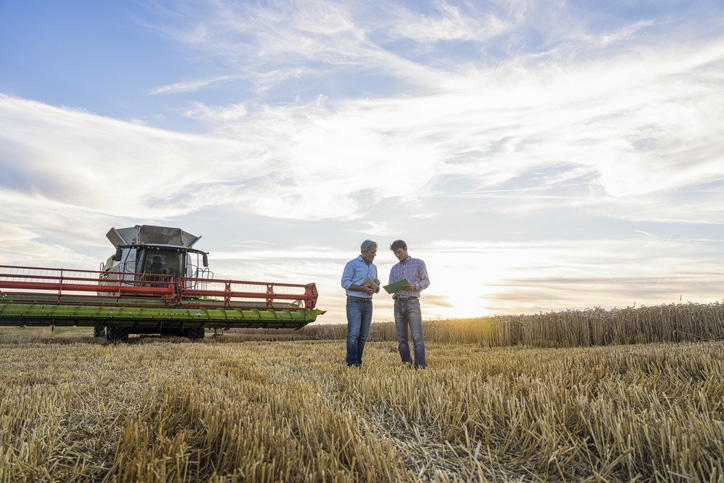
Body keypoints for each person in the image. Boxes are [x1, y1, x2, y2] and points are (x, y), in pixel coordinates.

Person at [389, 240, 430, 369]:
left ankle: (420, 366)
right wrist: (392, 288)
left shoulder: (418, 263)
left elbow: (426, 281)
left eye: (399, 252)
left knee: (417, 337)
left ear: (405, 249)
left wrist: (415, 286)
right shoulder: (394, 268)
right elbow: (391, 286)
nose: (398, 255)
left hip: (412, 302)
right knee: (401, 339)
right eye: (396, 254)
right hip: (398, 303)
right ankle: (407, 365)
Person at [340, 240, 380, 367]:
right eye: (372, 252)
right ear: (364, 252)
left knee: (363, 336)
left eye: (375, 252)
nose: (375, 255)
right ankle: (351, 363)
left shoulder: (374, 268)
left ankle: (358, 363)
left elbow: (375, 290)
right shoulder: (352, 264)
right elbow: (344, 282)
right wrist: (361, 288)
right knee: (354, 333)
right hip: (354, 301)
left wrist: (376, 285)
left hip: (368, 303)